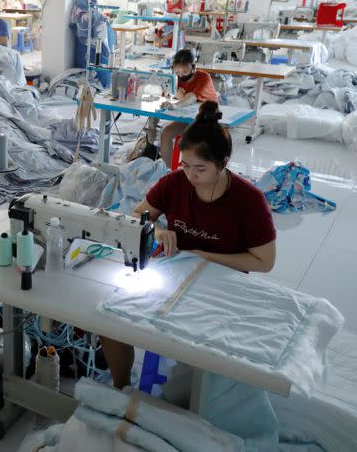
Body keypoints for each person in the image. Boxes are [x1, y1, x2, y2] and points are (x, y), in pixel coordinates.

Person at [101, 100, 277, 390]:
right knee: (111, 321)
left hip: (221, 284)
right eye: (184, 165)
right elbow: (136, 215)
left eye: (200, 169)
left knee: (191, 374)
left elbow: (264, 261)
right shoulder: (174, 183)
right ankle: (120, 389)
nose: (190, 176)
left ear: (223, 163)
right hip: (175, 273)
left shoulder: (249, 200)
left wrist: (202, 254)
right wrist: (156, 230)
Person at [158, 48, 219, 168]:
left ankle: (188, 172)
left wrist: (176, 104)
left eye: (184, 72)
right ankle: (166, 172)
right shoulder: (176, 78)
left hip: (207, 118)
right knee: (165, 133)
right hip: (188, 116)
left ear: (193, 67)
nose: (181, 75)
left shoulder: (204, 78)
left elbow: (192, 97)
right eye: (177, 72)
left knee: (187, 140)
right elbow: (167, 92)